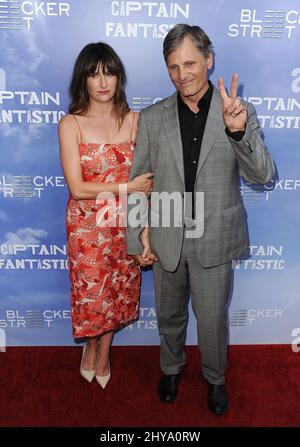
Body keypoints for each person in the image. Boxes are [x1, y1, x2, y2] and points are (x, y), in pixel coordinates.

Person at [126, 24, 275, 414]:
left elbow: (263, 176)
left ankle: (215, 378)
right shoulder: (153, 117)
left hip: (215, 236)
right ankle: (171, 368)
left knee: (212, 321)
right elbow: (139, 182)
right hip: (166, 233)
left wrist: (238, 131)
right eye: (173, 66)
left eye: (190, 63)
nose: (183, 74)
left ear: (209, 61)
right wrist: (135, 238)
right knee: (169, 315)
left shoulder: (236, 112)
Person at [59, 42, 153, 388]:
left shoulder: (136, 121)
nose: (102, 82)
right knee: (93, 294)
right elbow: (79, 188)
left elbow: (150, 185)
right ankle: (90, 346)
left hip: (125, 225)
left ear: (119, 77)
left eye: (109, 73)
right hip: (86, 227)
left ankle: (103, 352)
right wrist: (128, 187)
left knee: (119, 293)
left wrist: (144, 234)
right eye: (93, 74)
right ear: (82, 80)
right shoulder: (71, 124)